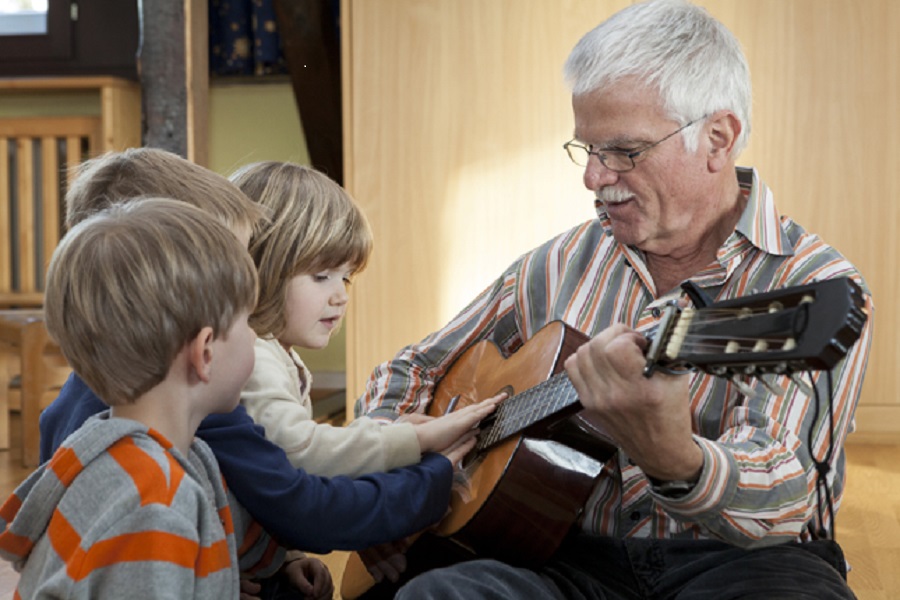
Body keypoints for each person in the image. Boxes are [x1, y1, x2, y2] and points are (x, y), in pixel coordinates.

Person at [356, 1, 874, 598]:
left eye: (624, 151)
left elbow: (785, 497)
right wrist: (382, 479)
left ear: (717, 139)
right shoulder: (560, 261)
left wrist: (676, 458)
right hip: (560, 555)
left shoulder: (810, 286)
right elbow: (413, 369)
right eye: (588, 150)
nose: (594, 177)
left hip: (737, 563)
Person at [37, 148, 494, 585]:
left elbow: (252, 503)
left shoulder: (150, 420)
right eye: (237, 303)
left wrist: (261, 561)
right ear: (201, 345)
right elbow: (302, 503)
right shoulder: (173, 448)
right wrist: (427, 471)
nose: (253, 323)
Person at [0, 198, 298, 597]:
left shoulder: (146, 451)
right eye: (248, 321)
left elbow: (230, 535)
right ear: (205, 352)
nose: (256, 336)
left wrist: (285, 561)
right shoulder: (152, 504)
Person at [229, 161, 499, 478]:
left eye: (345, 279)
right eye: (321, 276)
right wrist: (415, 439)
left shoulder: (275, 353)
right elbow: (302, 451)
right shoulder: (255, 357)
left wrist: (389, 432)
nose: (340, 296)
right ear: (259, 268)